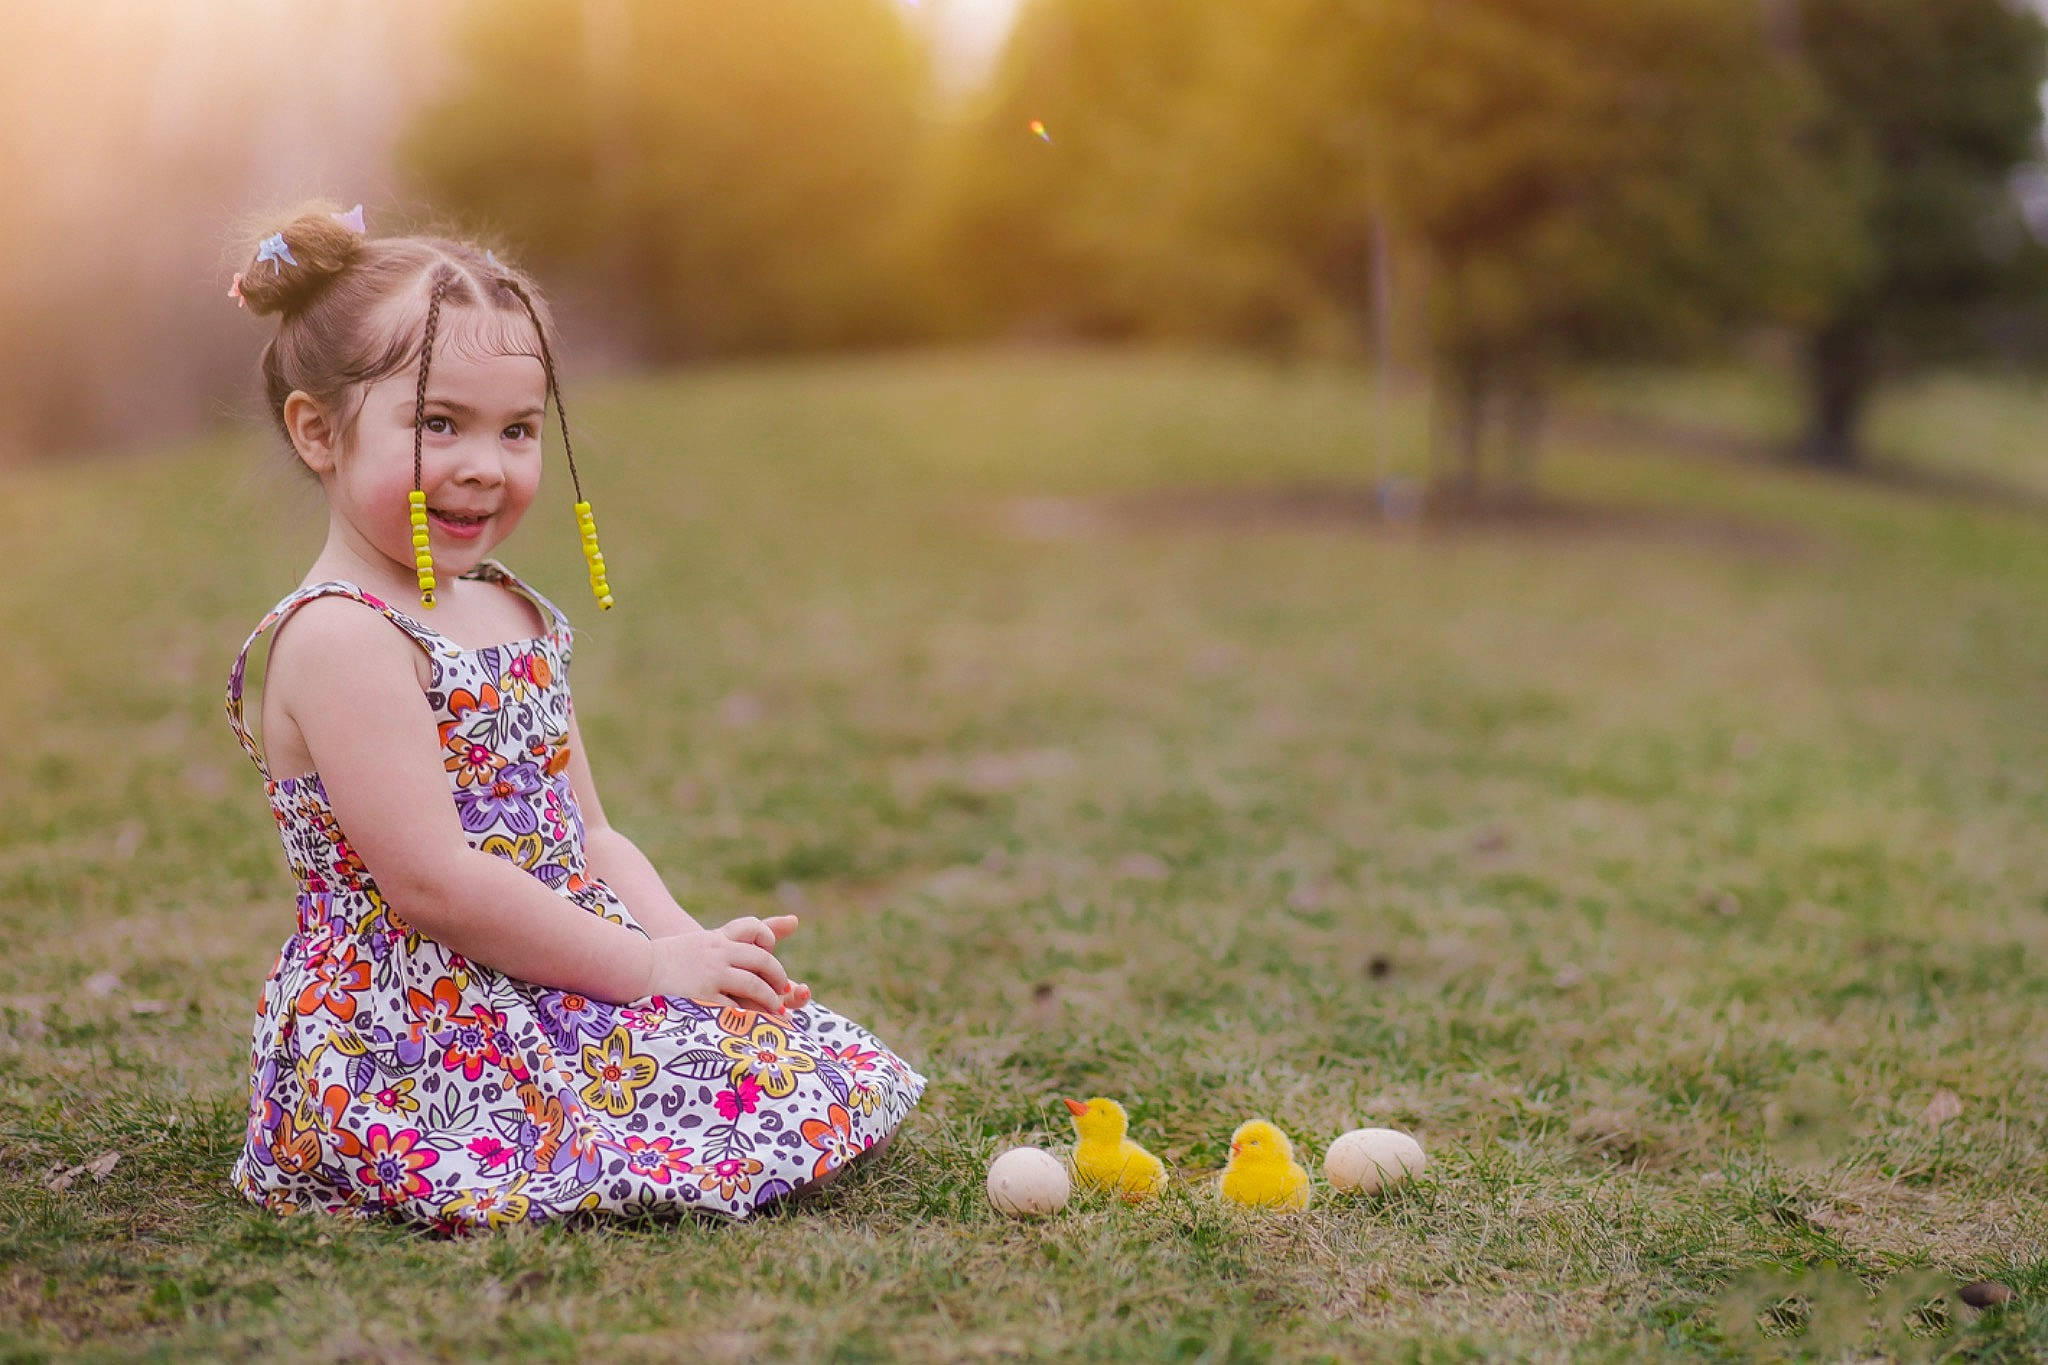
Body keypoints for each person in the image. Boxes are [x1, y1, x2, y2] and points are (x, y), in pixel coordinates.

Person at [220, 203, 925, 1231]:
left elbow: (588, 833)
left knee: (783, 1061)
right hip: (416, 1022)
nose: (486, 465)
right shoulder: (342, 636)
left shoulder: (509, 609)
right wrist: (644, 969)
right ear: (318, 431)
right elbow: (435, 883)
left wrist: (688, 948)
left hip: (561, 959)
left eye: (516, 430)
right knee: (641, 1124)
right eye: (438, 423)